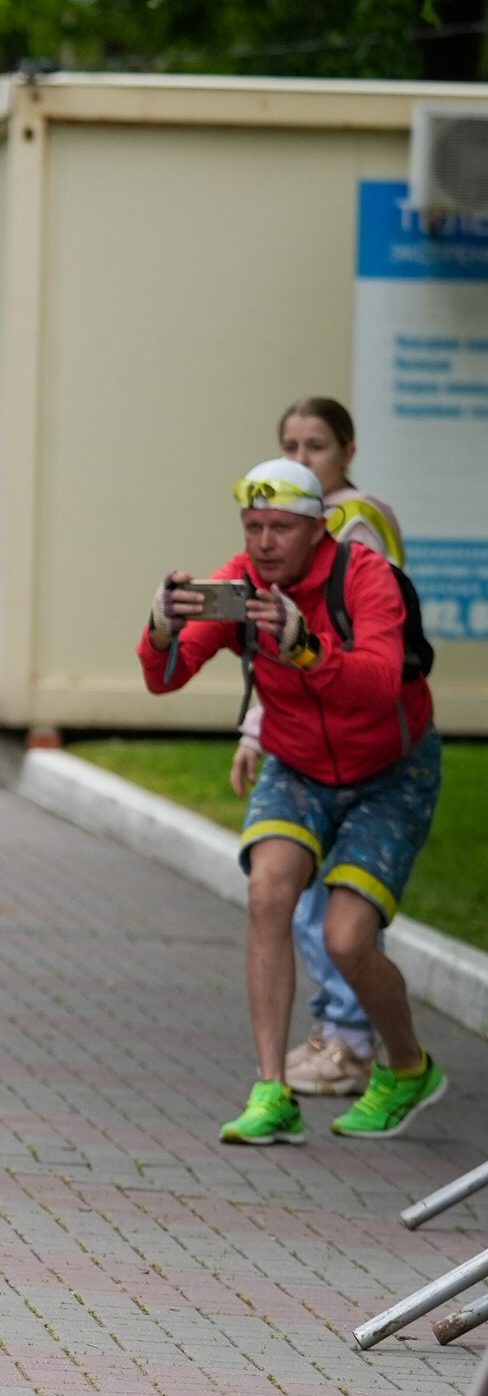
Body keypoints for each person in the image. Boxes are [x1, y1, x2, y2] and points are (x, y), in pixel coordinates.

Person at [141, 457, 445, 1146]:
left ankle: (408, 1067)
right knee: (268, 894)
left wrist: (304, 647)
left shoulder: (365, 578)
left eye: (281, 527)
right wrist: (160, 627)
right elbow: (167, 675)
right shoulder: (241, 584)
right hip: (299, 764)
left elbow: (375, 684)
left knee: (345, 937)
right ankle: (272, 1089)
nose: (264, 543)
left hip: (391, 770)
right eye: (253, 527)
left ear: (317, 528)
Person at [233, 396, 407, 1101]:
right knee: (290, 897)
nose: (301, 459)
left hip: (367, 744)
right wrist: (255, 728)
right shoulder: (288, 531)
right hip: (307, 738)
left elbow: (349, 652)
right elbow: (271, 649)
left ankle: (352, 1040)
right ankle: (338, 1038)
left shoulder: (354, 529)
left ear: (348, 452)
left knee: (342, 916)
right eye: (291, 445)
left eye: (317, 447)